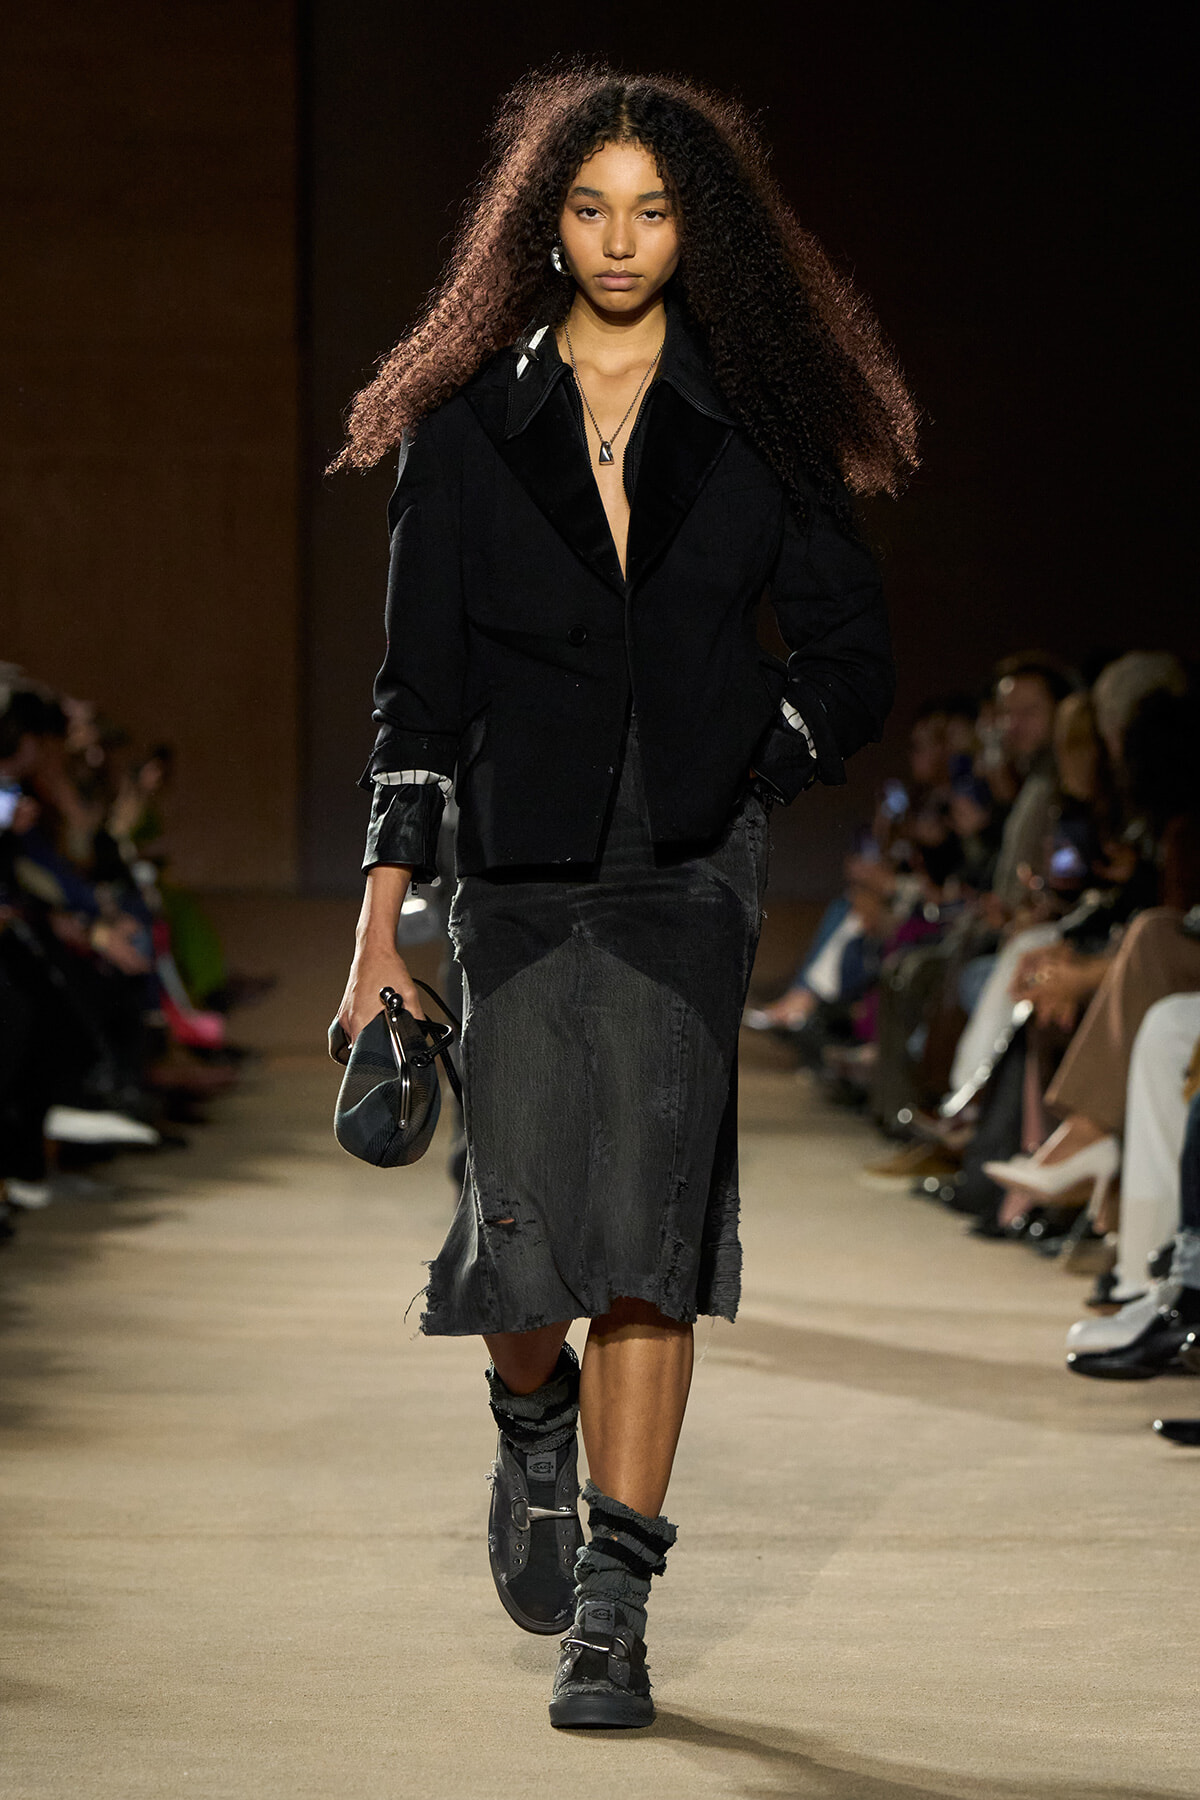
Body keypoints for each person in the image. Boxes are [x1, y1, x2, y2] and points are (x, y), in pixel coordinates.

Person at [332, 67, 915, 1730]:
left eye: (653, 208)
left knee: (651, 1226)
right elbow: (412, 702)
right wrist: (381, 931)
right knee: (523, 1238)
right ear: (542, 220)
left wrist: (755, 754)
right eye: (588, 206)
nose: (619, 239)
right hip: (509, 866)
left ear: (699, 227)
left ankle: (615, 1605)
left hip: (687, 865)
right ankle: (532, 1423)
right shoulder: (465, 431)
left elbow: (854, 652)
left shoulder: (759, 420)